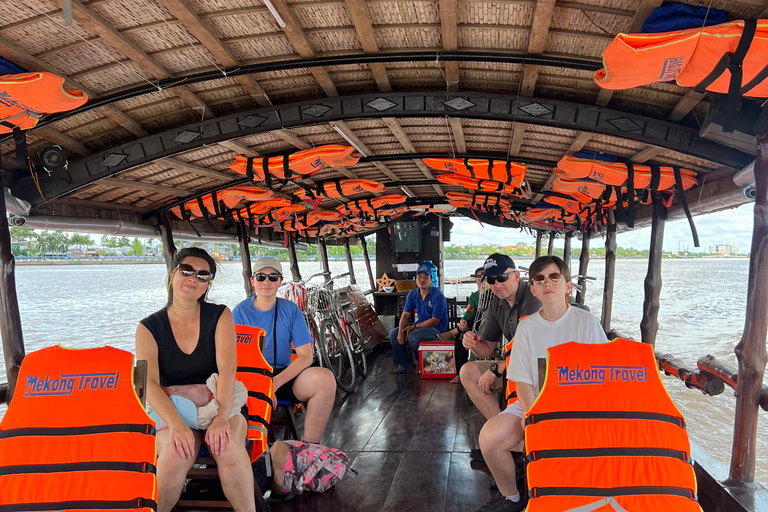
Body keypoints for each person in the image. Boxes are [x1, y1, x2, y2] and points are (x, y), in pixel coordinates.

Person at [475, 255, 609, 512]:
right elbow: (523, 381)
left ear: (567, 286)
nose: (547, 283)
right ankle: (511, 497)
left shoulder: (587, 325)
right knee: (490, 437)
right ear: (533, 289)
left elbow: (600, 379)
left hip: (577, 409)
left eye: (554, 277)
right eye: (539, 279)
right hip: (534, 404)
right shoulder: (527, 328)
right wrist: (534, 415)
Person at [136, 248, 255, 512]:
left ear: (207, 285)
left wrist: (222, 417)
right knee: (175, 455)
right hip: (174, 409)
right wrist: (176, 425)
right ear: (173, 275)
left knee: (229, 448)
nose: (193, 278)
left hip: (218, 403)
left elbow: (227, 369)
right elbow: (148, 385)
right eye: (186, 271)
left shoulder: (219, 315)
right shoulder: (148, 327)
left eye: (203, 275)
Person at [232, 257, 336, 443]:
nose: (266, 282)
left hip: (283, 375)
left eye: (273, 277)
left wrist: (274, 383)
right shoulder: (239, 312)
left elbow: (305, 356)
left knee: (325, 379)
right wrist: (261, 386)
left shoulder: (291, 310)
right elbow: (231, 358)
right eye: (261, 276)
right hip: (249, 378)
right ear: (252, 281)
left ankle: (308, 450)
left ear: (280, 281)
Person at [460, 254, 540, 424]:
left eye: (502, 277)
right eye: (491, 279)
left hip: (537, 366)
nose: (497, 284)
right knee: (467, 372)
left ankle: (518, 431)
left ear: (516, 276)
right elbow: (485, 349)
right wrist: (473, 342)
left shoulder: (532, 298)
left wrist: (498, 368)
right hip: (513, 365)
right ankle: (501, 427)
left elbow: (533, 349)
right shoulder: (496, 303)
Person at [389, 264, 449, 374]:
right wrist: (400, 333)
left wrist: (414, 326)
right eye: (419, 277)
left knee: (413, 336)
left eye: (426, 277)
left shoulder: (438, 295)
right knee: (393, 333)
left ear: (431, 280)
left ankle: (419, 364)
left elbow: (435, 320)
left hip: (437, 328)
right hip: (420, 325)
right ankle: (404, 365)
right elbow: (405, 315)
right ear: (416, 280)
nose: (422, 280)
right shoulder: (413, 294)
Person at [438, 267, 486, 383]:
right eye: (479, 278)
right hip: (475, 326)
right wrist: (463, 321)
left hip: (489, 327)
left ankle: (454, 331)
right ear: (475, 280)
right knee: (461, 337)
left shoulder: (495, 295)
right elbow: (469, 313)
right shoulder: (474, 297)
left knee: (481, 317)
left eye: (485, 277)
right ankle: (460, 373)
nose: (482, 280)